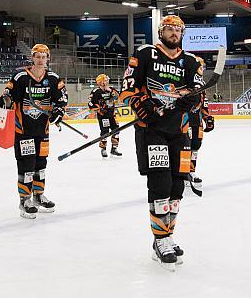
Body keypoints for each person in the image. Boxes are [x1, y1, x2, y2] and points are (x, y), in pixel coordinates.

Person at [119, 15, 204, 271]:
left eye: (178, 29)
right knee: (160, 183)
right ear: (161, 31)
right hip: (152, 130)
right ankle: (160, 240)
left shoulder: (191, 62)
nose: (174, 33)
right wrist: (139, 104)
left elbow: (198, 93)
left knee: (177, 186)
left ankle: (167, 233)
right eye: (169, 29)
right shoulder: (144, 54)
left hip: (180, 132)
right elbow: (126, 88)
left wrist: (192, 100)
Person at [0, 44, 68, 219]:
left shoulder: (53, 78)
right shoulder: (21, 76)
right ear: (32, 57)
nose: (40, 59)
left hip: (42, 130)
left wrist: (58, 112)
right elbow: (7, 96)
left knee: (40, 165)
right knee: (27, 165)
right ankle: (24, 199)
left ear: (48, 58)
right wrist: (5, 100)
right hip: (23, 130)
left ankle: (38, 196)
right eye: (37, 56)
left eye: (44, 56)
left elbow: (62, 99)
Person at [88, 73, 121, 158]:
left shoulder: (111, 89)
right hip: (103, 116)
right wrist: (98, 107)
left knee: (117, 130)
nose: (107, 81)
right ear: (101, 82)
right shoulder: (96, 91)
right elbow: (90, 103)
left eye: (107, 80)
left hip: (112, 114)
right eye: (105, 80)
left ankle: (114, 149)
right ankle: (103, 149)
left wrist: (110, 90)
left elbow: (118, 96)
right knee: (105, 132)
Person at [186, 89, 214, 190]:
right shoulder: (182, 79)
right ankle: (183, 173)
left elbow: (204, 103)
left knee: (196, 146)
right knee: (184, 147)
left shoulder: (200, 84)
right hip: (183, 121)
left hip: (197, 123)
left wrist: (207, 118)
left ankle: (191, 171)